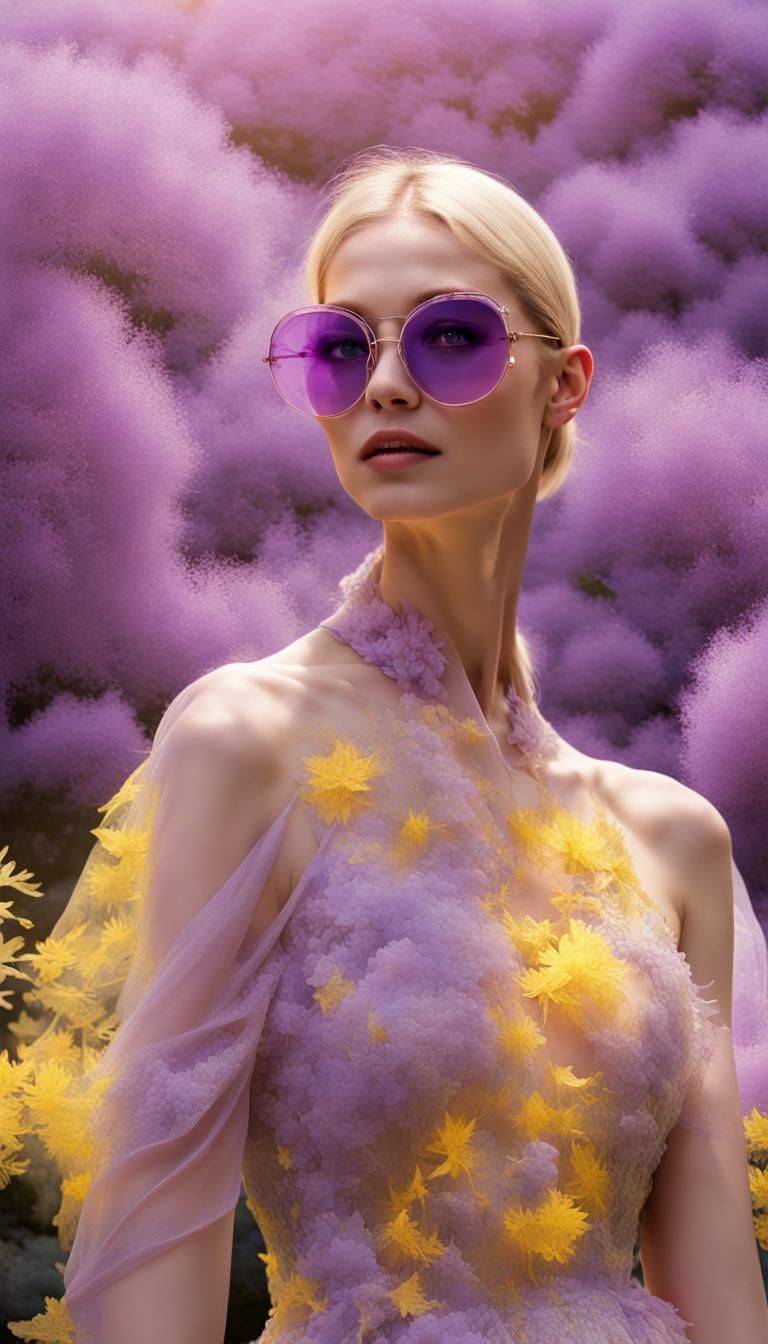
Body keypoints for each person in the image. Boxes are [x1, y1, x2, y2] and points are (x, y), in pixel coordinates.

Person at [7, 147, 768, 1344]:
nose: (388, 385)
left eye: (450, 338)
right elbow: (154, 1264)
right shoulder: (248, 744)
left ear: (564, 385)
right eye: (341, 348)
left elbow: (721, 1299)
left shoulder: (671, 842)